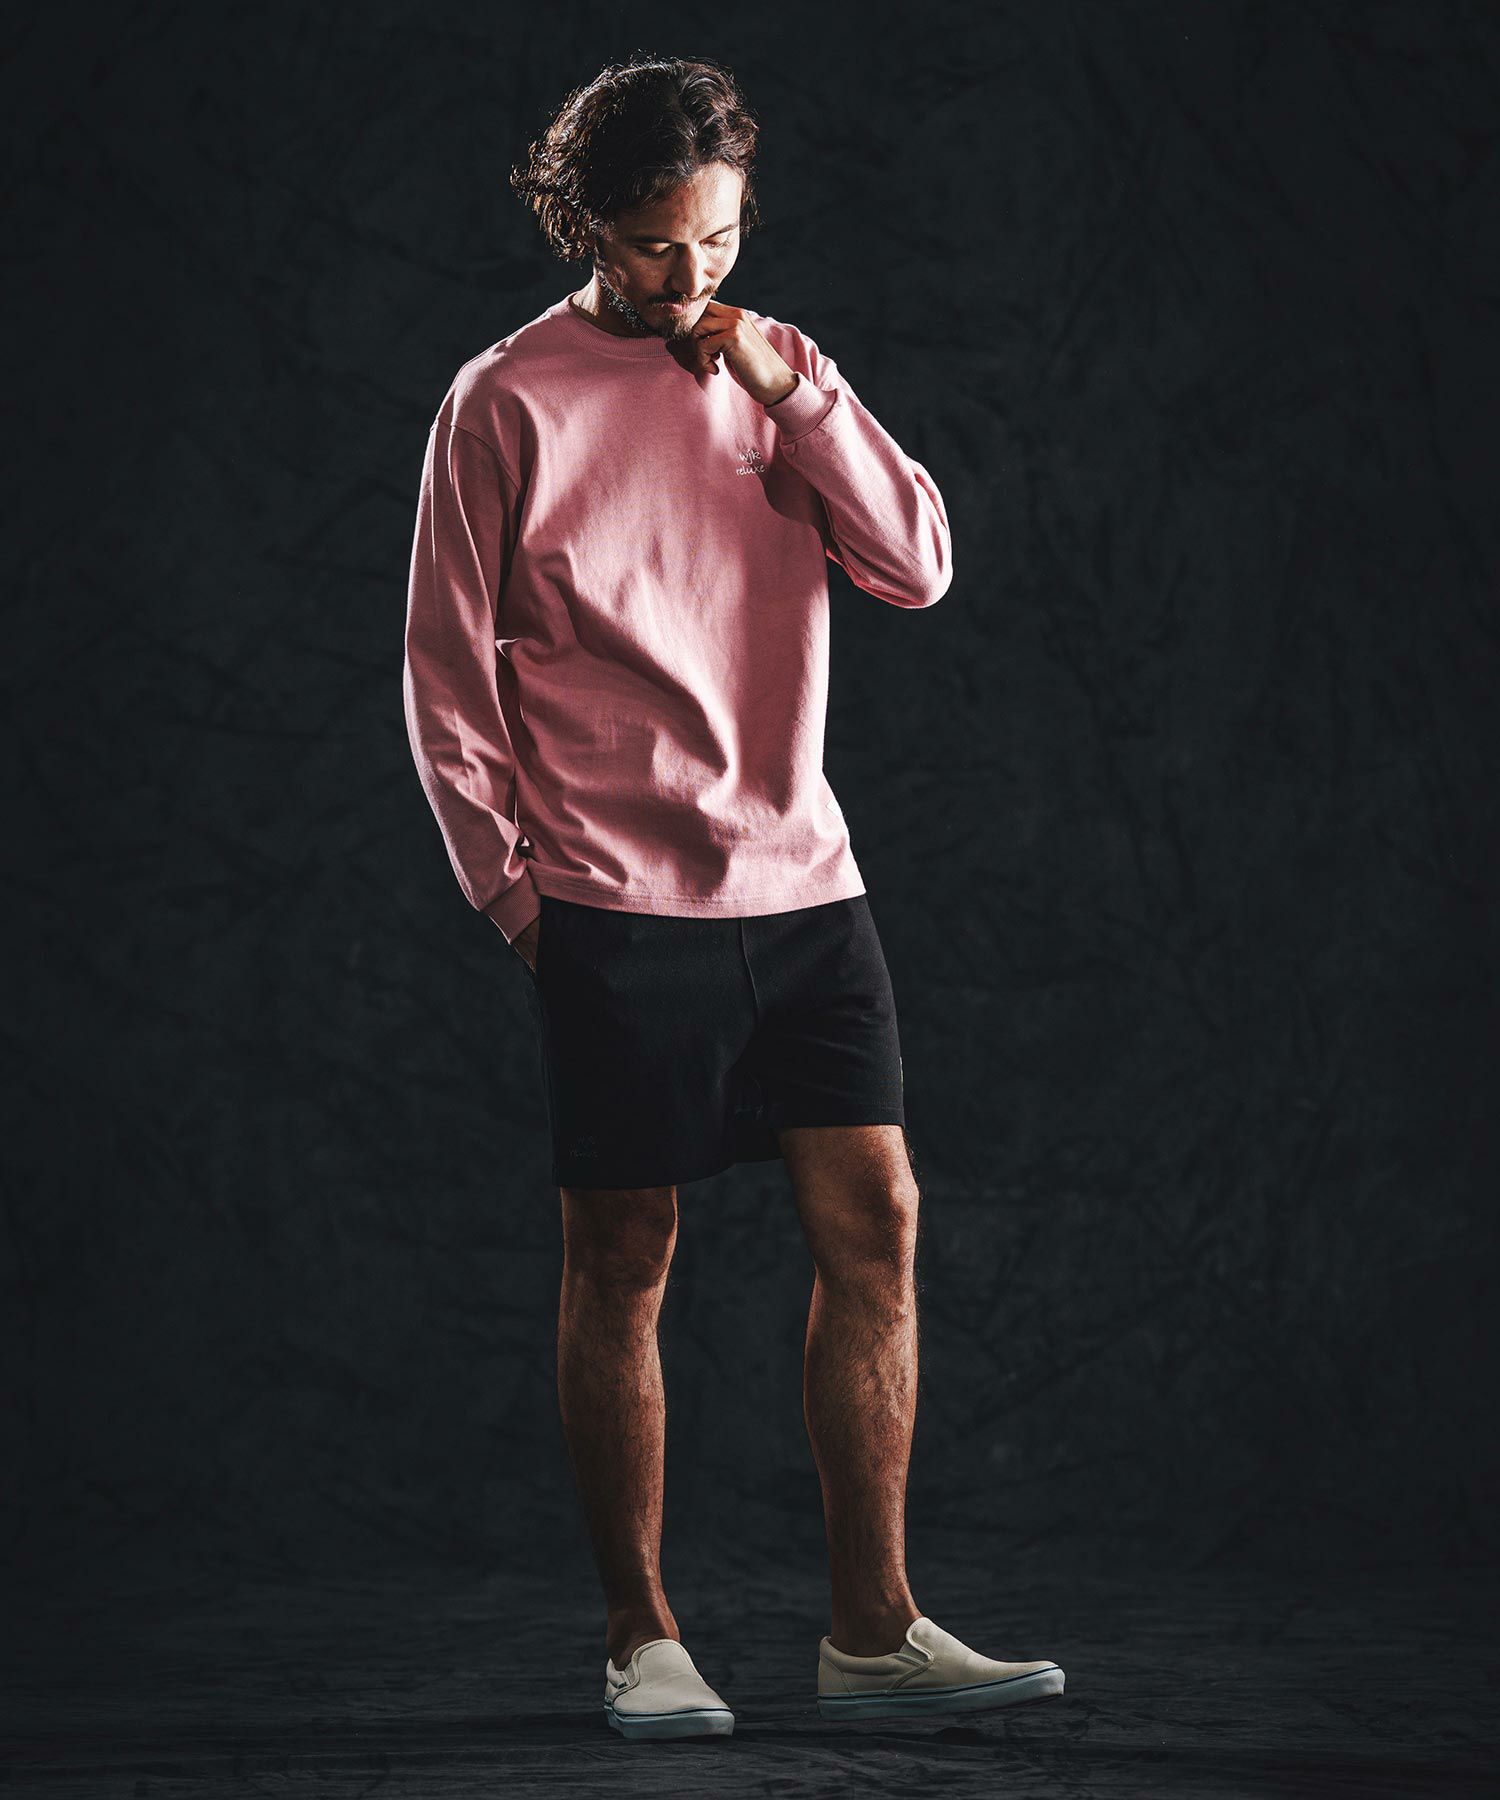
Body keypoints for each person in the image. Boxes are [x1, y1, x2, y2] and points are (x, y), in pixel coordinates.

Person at [403, 53, 1064, 1739]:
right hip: (612, 902)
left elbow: (916, 565)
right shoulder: (503, 399)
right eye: (651, 246)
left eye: (716, 238)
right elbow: (446, 678)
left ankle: (873, 1629)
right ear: (585, 224)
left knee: (880, 1225)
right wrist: (518, 901)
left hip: (802, 883)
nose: (688, 275)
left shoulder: (780, 372)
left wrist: (792, 391)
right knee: (626, 1256)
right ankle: (643, 1637)